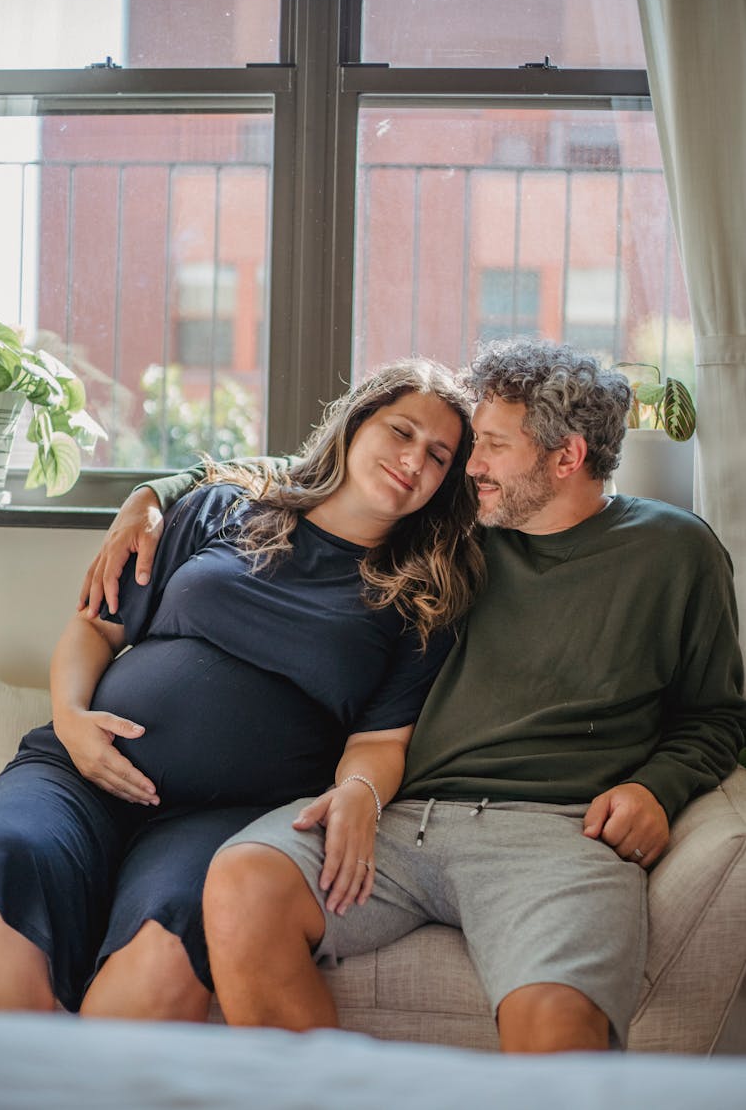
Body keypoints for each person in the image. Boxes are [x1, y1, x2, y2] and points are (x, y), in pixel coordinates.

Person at [79, 339, 746, 1052]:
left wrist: (656, 787)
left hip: (556, 830)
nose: (471, 465)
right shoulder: (456, 530)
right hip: (400, 819)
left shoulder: (675, 551)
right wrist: (155, 494)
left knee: (558, 1026)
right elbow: (306, 475)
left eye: (489, 445)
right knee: (245, 882)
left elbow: (716, 715)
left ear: (566, 457)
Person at [0, 359, 484, 1021]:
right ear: (356, 421)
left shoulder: (420, 600)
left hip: (224, 818)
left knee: (152, 979)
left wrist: (361, 794)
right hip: (77, 774)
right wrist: (72, 718)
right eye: (400, 430)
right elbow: (95, 629)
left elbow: (379, 740)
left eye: (437, 455)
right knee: (10, 879)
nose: (413, 460)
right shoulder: (223, 507)